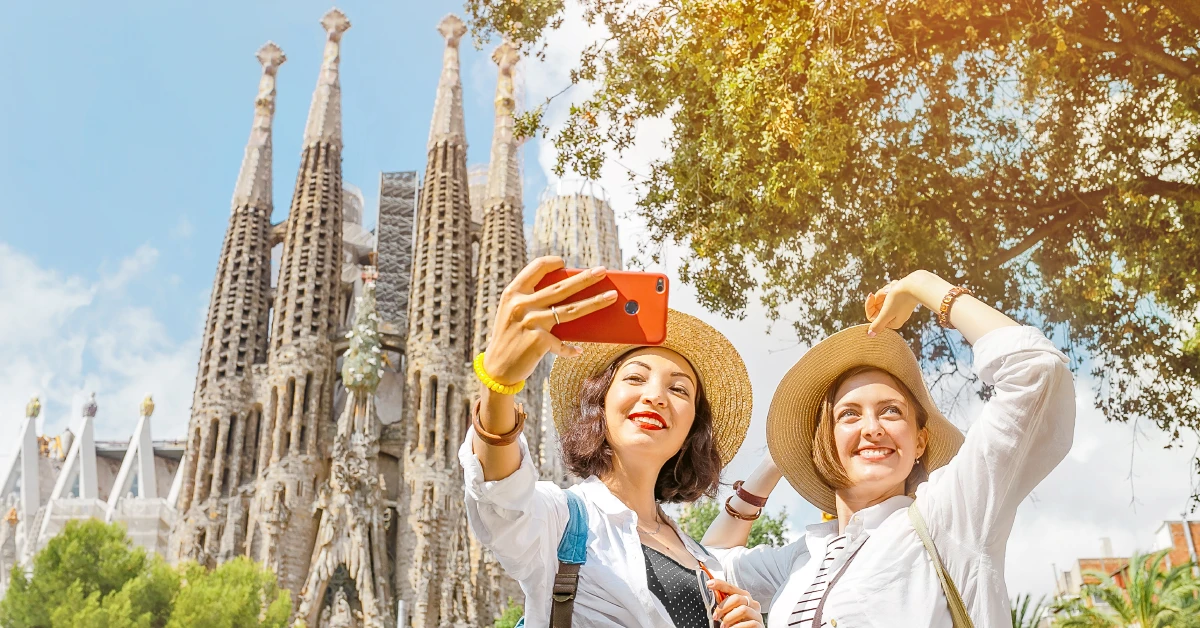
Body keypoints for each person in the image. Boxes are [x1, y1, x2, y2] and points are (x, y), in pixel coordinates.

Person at [703, 269, 1076, 627]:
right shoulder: (803, 557)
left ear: (920, 441)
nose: (872, 429)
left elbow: (1036, 369)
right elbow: (708, 565)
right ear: (825, 443)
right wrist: (779, 460)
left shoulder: (949, 517)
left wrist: (922, 285)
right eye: (849, 415)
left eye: (891, 412)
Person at [460, 257, 767, 627]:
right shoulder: (561, 522)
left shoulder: (705, 562)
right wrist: (498, 386)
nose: (655, 396)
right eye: (636, 378)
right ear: (600, 403)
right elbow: (502, 495)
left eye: (679, 388)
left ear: (692, 430)